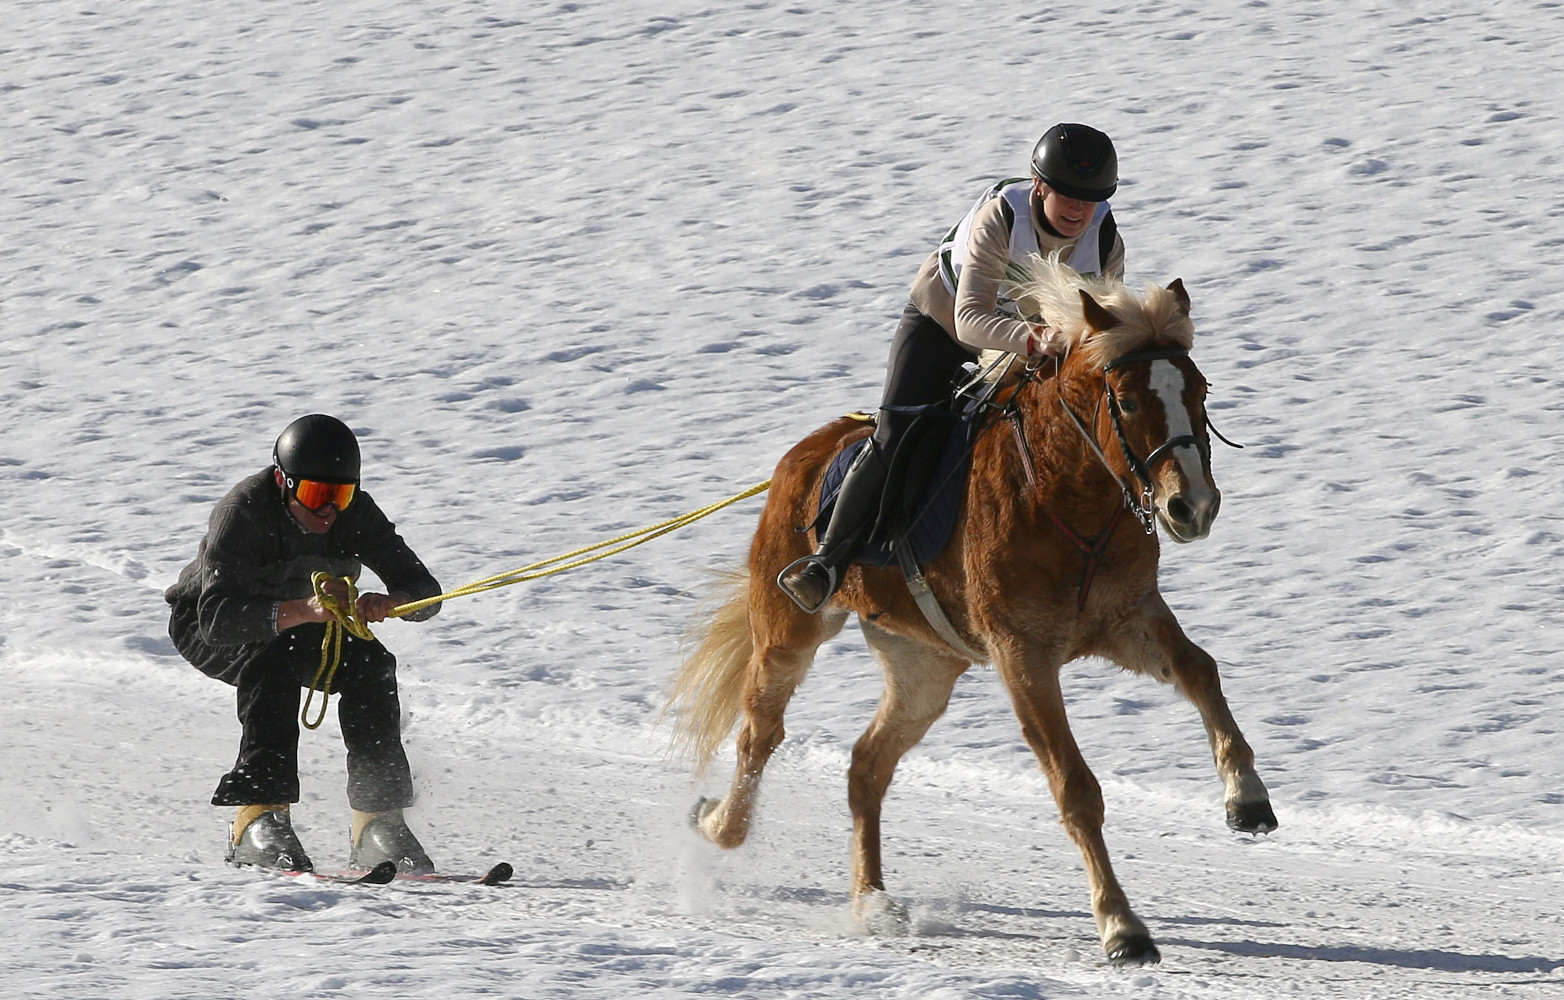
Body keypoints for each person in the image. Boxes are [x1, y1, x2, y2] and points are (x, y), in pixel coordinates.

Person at [778, 123, 1126, 613]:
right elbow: (970, 320)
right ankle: (826, 563)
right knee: (899, 431)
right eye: (1066, 195)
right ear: (1039, 186)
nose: (1077, 210)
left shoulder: (1105, 238)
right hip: (944, 325)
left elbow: (1101, 325)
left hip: (1034, 345)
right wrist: (1033, 339)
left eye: (1090, 200)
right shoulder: (998, 220)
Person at [165, 414, 444, 873]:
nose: (328, 510)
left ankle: (377, 820)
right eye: (316, 494)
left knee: (372, 665)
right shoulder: (244, 511)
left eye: (340, 495)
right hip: (210, 623)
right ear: (282, 480)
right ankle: (257, 817)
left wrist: (394, 602)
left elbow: (426, 593)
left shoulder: (357, 514)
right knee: (272, 661)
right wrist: (304, 610)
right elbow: (217, 619)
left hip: (303, 627)